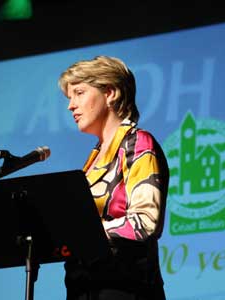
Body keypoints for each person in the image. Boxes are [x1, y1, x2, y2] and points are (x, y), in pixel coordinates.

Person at [58, 55, 169, 300]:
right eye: (69, 97)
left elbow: (145, 222)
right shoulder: (93, 159)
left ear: (110, 92)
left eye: (79, 93)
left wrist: (87, 234)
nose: (70, 105)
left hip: (125, 290)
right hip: (85, 290)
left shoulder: (138, 144)